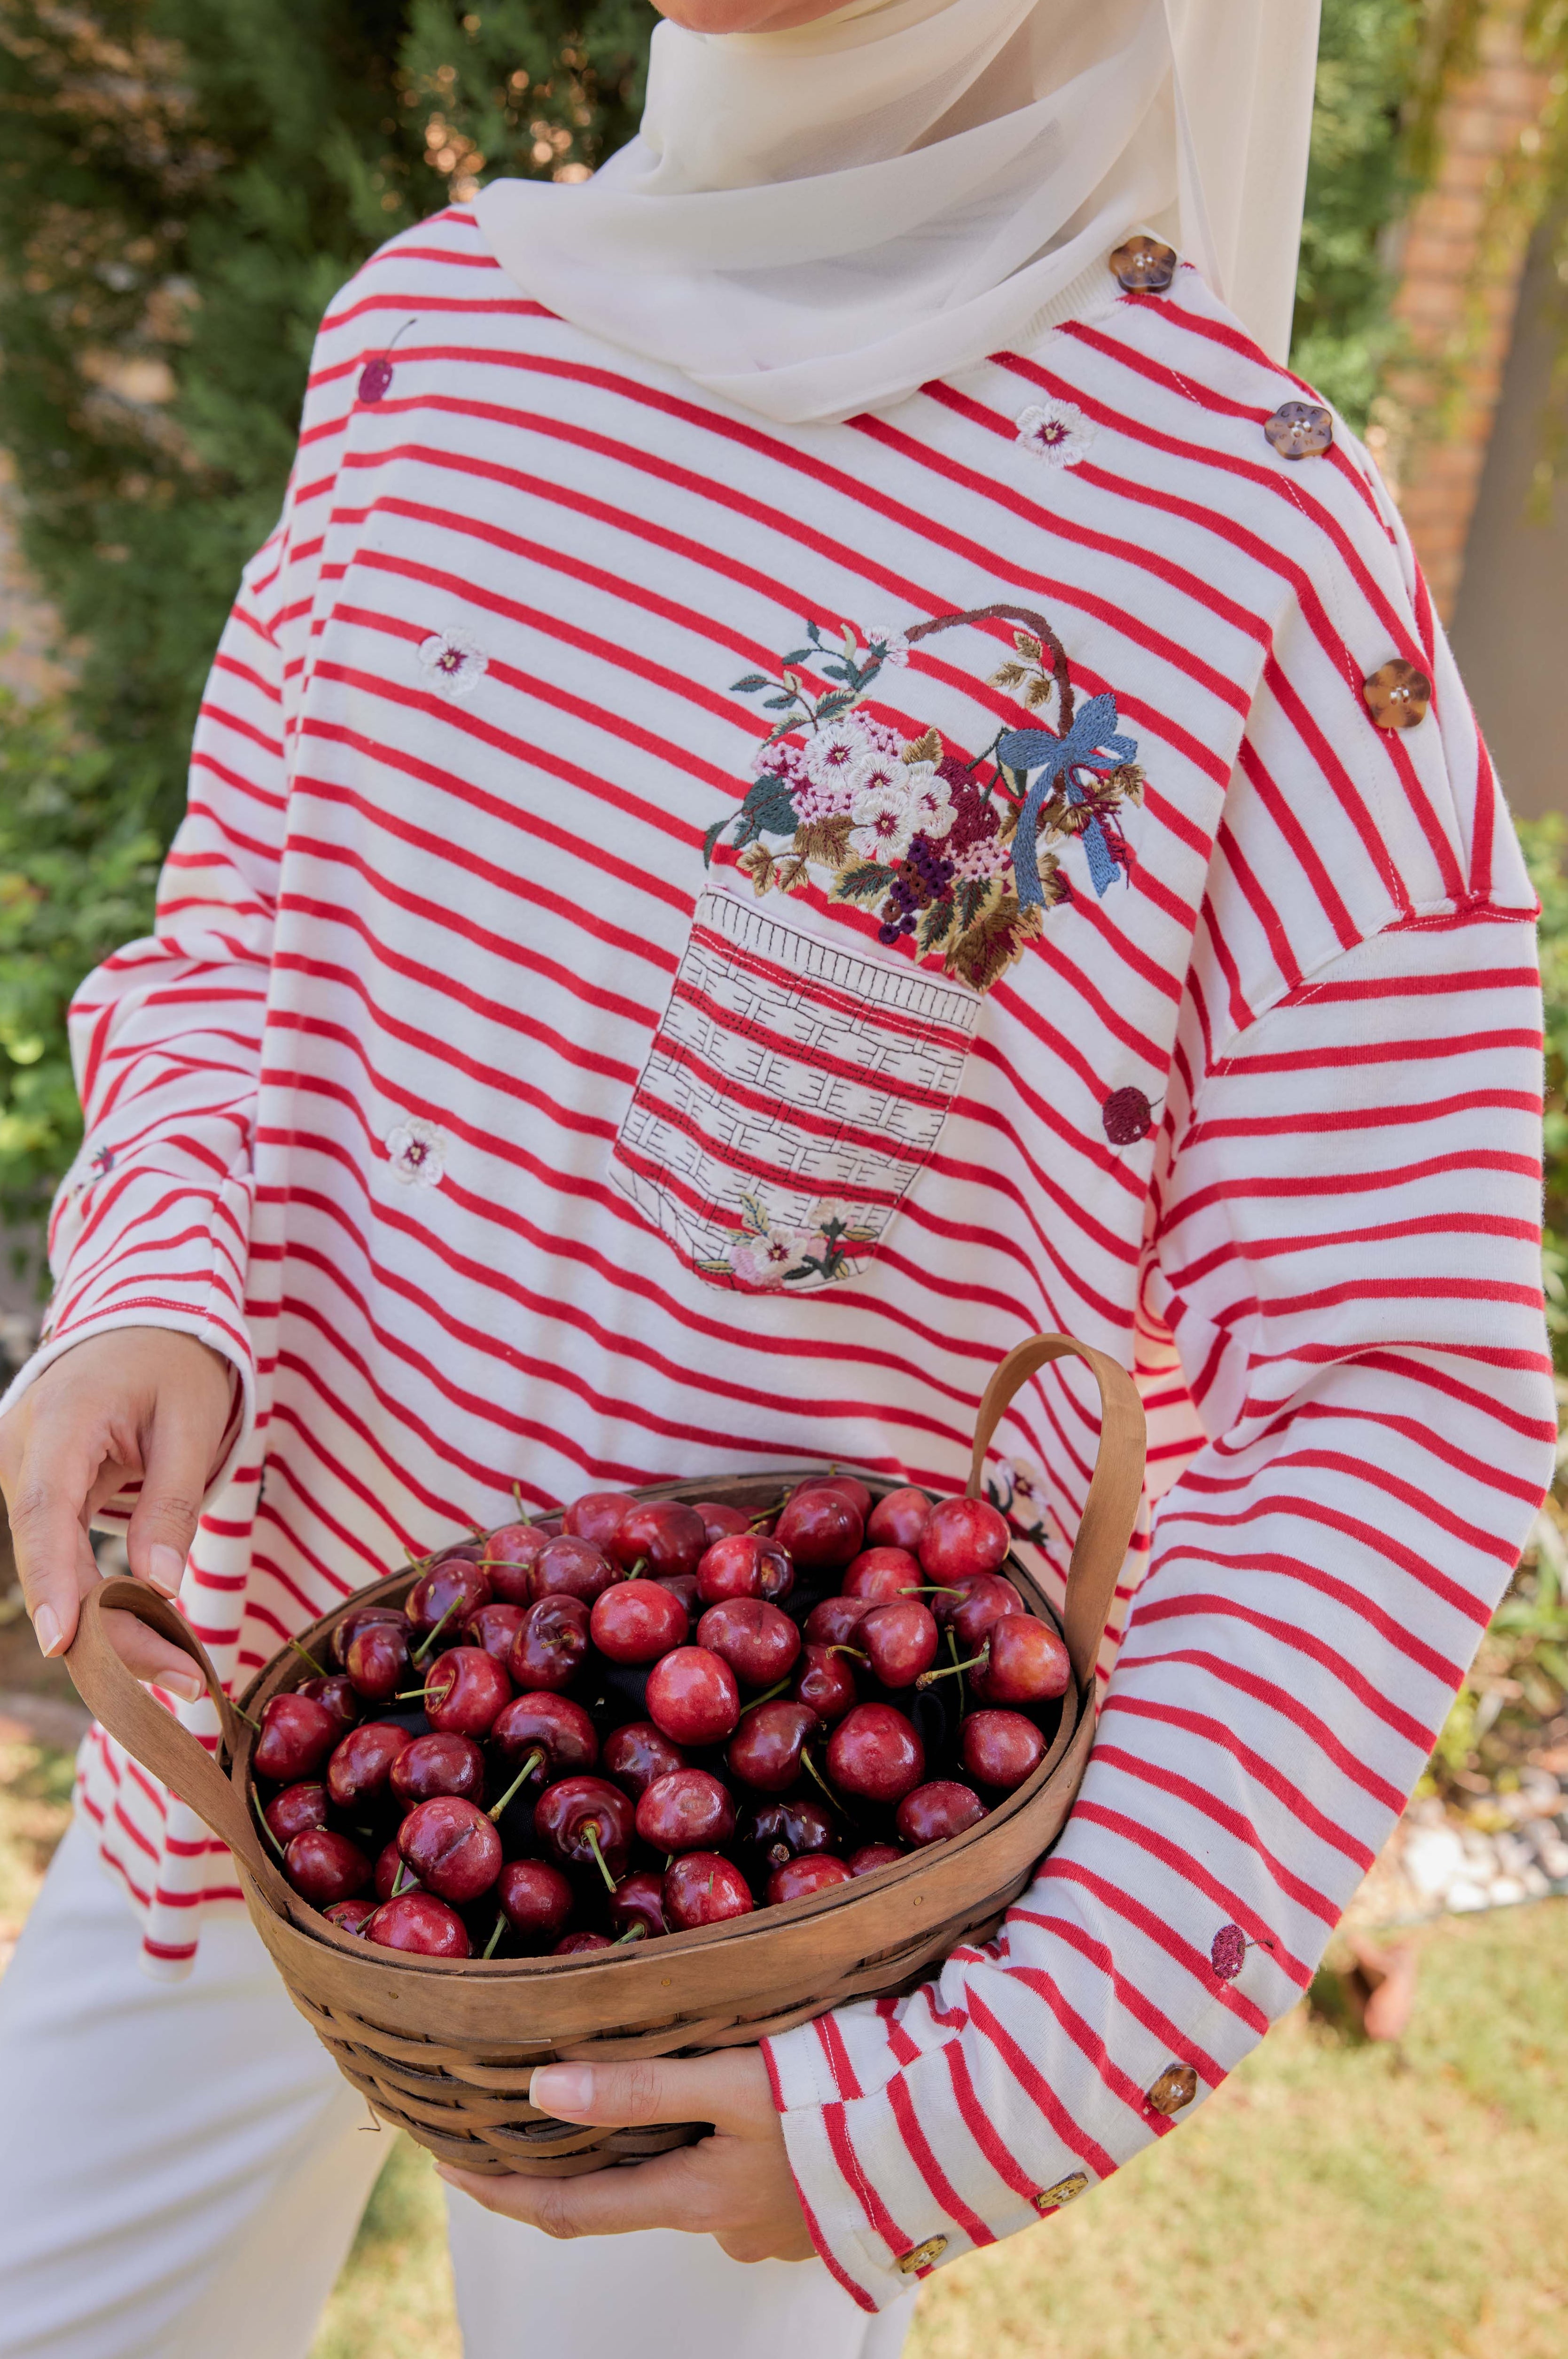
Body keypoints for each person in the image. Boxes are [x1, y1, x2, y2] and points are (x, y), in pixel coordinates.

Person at [0, 0, 1553, 2352]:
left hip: (766, 1945)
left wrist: (987, 2072)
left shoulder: (1236, 541)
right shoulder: (431, 342)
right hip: (247, 1784)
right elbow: (243, 936)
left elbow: (1395, 1383)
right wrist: (149, 1283)